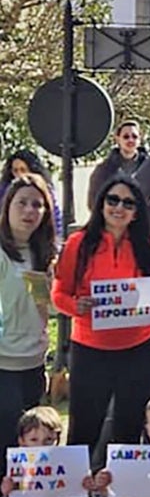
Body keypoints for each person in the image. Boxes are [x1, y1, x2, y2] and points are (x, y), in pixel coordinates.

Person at [52, 177, 150, 490]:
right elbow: (58, 294)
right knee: (83, 428)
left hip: (139, 348)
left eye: (128, 203)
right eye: (113, 200)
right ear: (101, 204)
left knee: (129, 427)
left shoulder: (146, 245)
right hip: (90, 349)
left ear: (136, 212)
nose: (119, 207)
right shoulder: (79, 243)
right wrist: (76, 306)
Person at [0, 175, 57, 447]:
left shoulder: (45, 255)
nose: (29, 211)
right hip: (3, 364)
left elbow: (52, 308)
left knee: (31, 444)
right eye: (22, 202)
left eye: (37, 204)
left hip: (34, 362)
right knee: (7, 442)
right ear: (7, 205)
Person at [87, 121, 148, 208]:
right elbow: (93, 203)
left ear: (140, 139)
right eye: (126, 137)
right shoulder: (104, 170)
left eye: (134, 136)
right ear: (118, 139)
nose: (130, 140)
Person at [1, 151, 62, 236]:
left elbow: (56, 220)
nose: (19, 174)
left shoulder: (45, 190)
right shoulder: (4, 191)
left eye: (23, 170)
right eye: (15, 170)